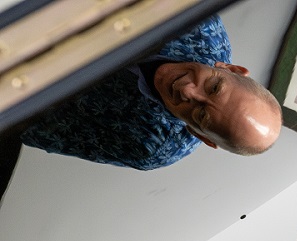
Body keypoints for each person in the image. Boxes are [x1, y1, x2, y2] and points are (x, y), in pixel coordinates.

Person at [15, 14, 281, 171]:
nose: (187, 91)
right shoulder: (195, 21)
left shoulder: (151, 146)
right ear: (231, 68)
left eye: (199, 115)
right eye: (213, 87)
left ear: (202, 136)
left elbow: (26, 124)